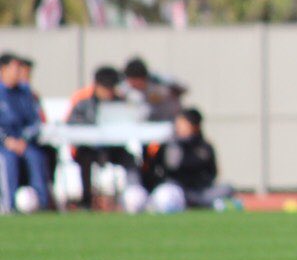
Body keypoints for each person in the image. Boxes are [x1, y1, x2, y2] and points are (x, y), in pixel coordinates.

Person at [67, 66, 141, 210]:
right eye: (106, 87)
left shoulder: (121, 105)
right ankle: (87, 200)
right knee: (84, 158)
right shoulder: (84, 105)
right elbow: (72, 125)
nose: (109, 92)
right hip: (90, 149)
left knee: (131, 159)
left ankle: (134, 197)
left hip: (114, 149)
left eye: (111, 87)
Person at [150, 108, 234, 208]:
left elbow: (212, 172)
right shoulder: (172, 145)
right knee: (166, 195)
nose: (179, 127)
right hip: (178, 189)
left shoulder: (204, 147)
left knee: (226, 188)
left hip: (200, 190)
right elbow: (171, 167)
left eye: (183, 124)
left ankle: (202, 203)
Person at [0, 53, 51, 212]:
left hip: (24, 143)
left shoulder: (25, 93)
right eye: (15, 69)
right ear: (3, 70)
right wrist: (6, 140)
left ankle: (42, 204)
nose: (19, 73)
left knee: (36, 157)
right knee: (8, 160)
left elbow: (36, 121)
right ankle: (9, 205)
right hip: (4, 145)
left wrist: (24, 139)